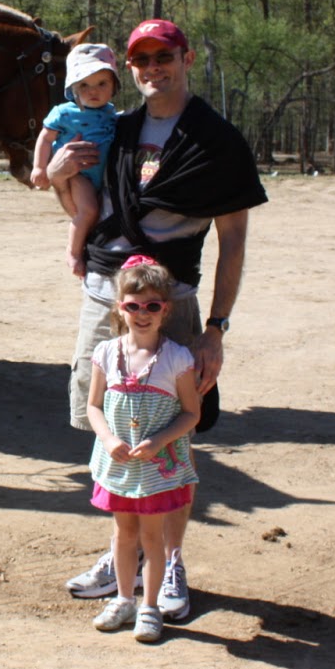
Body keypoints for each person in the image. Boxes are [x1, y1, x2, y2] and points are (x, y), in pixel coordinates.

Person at [50, 18, 268, 617]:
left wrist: (216, 329)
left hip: (171, 306)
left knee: (171, 444)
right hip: (105, 297)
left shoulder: (216, 141)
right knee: (113, 435)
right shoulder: (115, 129)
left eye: (163, 56)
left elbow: (233, 240)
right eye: (141, 59)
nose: (153, 68)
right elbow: (83, 205)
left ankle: (169, 562)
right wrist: (59, 174)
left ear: (186, 58)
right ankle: (123, 553)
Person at [85, 256, 201, 639]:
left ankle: (149, 607)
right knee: (123, 535)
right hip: (119, 464)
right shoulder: (106, 353)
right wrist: (108, 439)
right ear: (120, 308)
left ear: (165, 310)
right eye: (133, 306)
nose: (142, 314)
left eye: (151, 306)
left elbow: (191, 413)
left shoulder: (176, 359)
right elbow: (93, 406)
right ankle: (123, 599)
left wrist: (159, 441)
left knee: (152, 538)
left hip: (156, 467)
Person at [30, 43, 121, 277]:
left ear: (114, 86)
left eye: (102, 83)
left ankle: (88, 248)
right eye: (84, 85)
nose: (93, 91)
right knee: (88, 211)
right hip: (79, 174)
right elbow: (45, 138)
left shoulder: (111, 113)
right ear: (73, 88)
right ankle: (73, 252)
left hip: (103, 177)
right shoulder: (64, 112)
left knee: (98, 214)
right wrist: (39, 167)